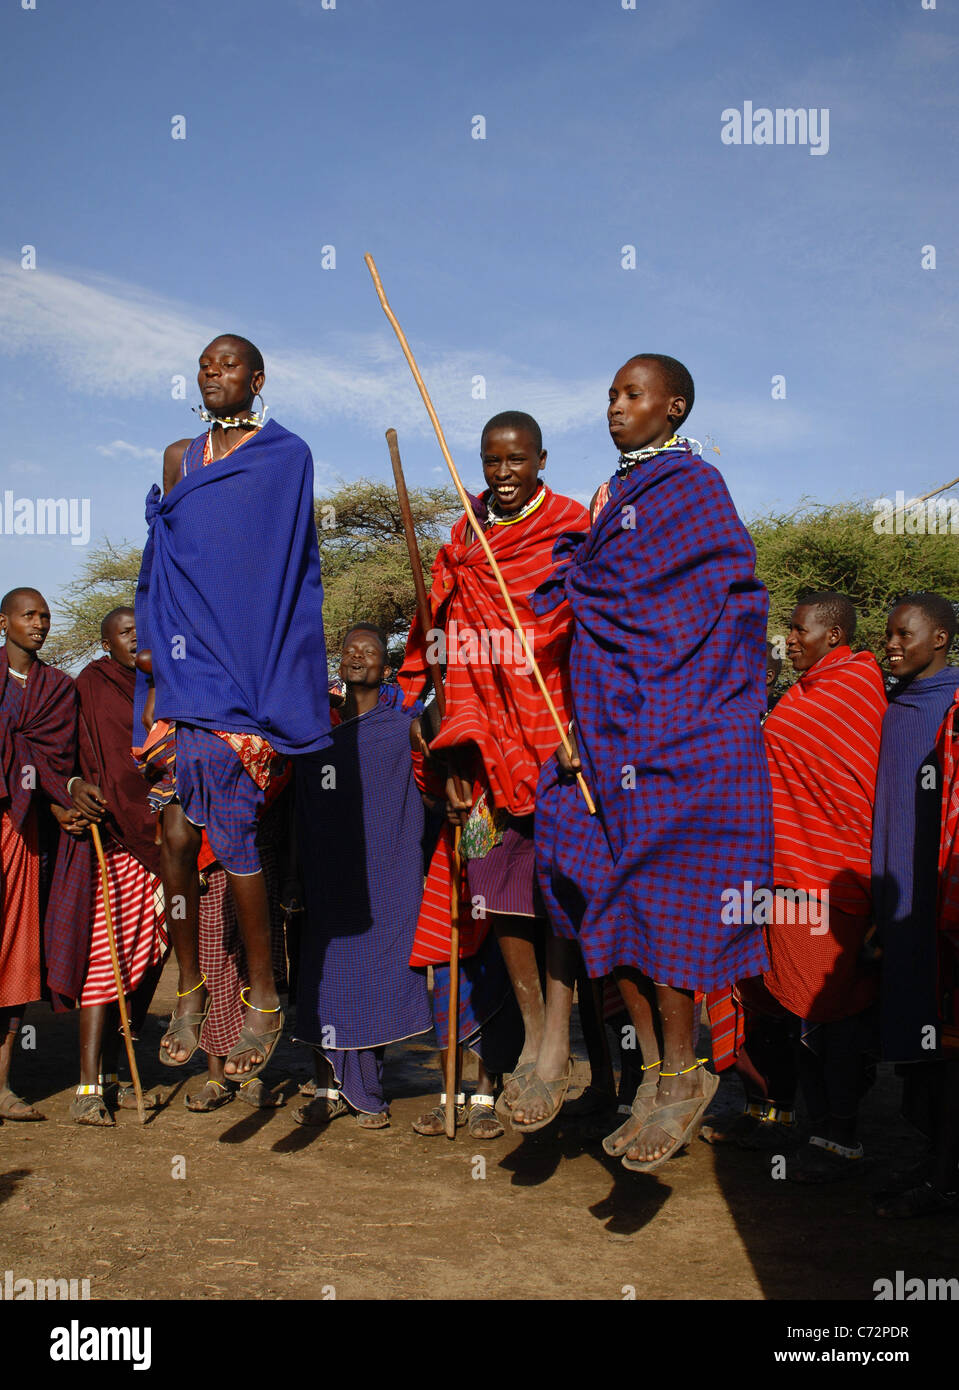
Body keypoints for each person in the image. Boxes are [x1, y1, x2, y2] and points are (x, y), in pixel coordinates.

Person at [533, 355, 773, 1171]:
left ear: (672, 407)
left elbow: (720, 603)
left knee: (665, 898)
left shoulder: (692, 488)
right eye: (608, 395)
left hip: (675, 728)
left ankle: (683, 1071)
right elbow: (593, 617)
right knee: (590, 880)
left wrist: (674, 708)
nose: (614, 408)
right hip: (602, 730)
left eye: (631, 396)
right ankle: (661, 1071)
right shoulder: (608, 499)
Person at [135, 335, 330, 1079]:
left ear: (257, 378)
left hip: (245, 679)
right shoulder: (179, 458)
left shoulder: (286, 456)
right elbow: (163, 562)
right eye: (204, 366)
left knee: (232, 824)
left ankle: (266, 994)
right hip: (182, 674)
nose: (212, 375)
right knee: (176, 834)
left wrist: (274, 681)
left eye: (228, 366)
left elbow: (285, 576)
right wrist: (151, 644)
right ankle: (188, 986)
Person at [399, 411, 589, 1134]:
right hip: (479, 747)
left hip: (553, 737)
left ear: (540, 459)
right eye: (490, 460)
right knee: (494, 886)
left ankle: (556, 1046)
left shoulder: (568, 528)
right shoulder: (462, 541)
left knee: (562, 891)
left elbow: (586, 630)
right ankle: (534, 1032)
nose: (502, 473)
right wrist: (444, 747)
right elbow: (440, 647)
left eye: (515, 459)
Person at [759, 591, 885, 1181]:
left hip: (836, 878)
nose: (790, 637)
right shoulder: (804, 689)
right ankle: (812, 1127)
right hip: (791, 874)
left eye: (798, 628)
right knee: (797, 1009)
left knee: (833, 1013)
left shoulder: (855, 688)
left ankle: (842, 1137)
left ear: (833, 634)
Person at [293, 625, 432, 1128]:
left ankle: (366, 1084)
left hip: (389, 872)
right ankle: (328, 1087)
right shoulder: (315, 729)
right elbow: (301, 805)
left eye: (369, 652)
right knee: (324, 976)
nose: (357, 658)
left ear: (384, 666)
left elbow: (432, 750)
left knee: (374, 976)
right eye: (350, 650)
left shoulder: (402, 726)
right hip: (328, 872)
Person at [871, 593, 959, 1215]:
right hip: (897, 904)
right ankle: (935, 1159)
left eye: (905, 634)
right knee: (919, 1037)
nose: (892, 644)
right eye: (889, 635)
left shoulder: (953, 708)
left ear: (942, 640)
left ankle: (947, 1175)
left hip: (940, 908)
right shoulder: (893, 705)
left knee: (948, 1039)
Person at [62, 608, 166, 1124]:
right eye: (126, 635)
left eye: (140, 633)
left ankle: (119, 1070)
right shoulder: (92, 684)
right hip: (117, 839)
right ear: (106, 643)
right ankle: (86, 1085)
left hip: (166, 838)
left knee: (152, 957)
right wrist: (77, 789)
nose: (135, 642)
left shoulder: (163, 686)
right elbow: (72, 752)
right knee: (107, 961)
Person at [0, 588, 84, 1122]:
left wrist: (59, 800)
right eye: (28, 615)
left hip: (23, 835)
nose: (39, 624)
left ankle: (2, 1086)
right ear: (3, 620)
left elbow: (59, 760)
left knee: (13, 954)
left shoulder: (57, 689)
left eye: (45, 617)